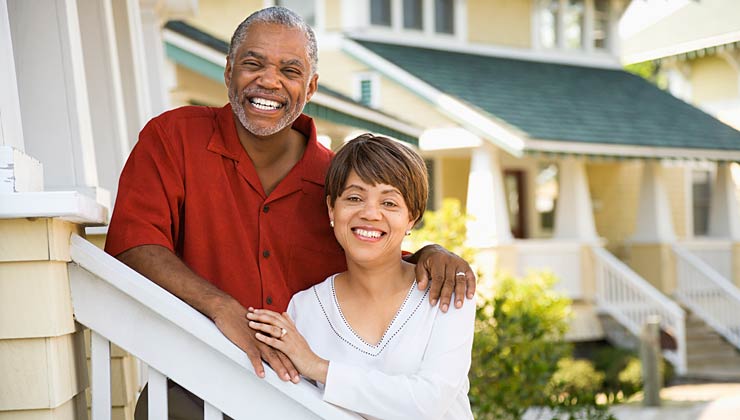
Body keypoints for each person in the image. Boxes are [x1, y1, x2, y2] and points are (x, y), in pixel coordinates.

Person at [105, 6, 475, 418]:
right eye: (253, 63)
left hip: (297, 400)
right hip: (195, 383)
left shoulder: (336, 180)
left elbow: (371, 251)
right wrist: (220, 306)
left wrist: (429, 254)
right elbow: (133, 243)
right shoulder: (174, 138)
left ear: (311, 86)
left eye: (290, 70)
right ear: (228, 71)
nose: (269, 81)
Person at [247, 134, 475, 419]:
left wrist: (318, 367)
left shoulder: (448, 290)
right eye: (354, 198)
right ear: (332, 208)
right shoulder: (304, 309)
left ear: (412, 217)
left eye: (389, 203)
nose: (370, 213)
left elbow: (427, 403)